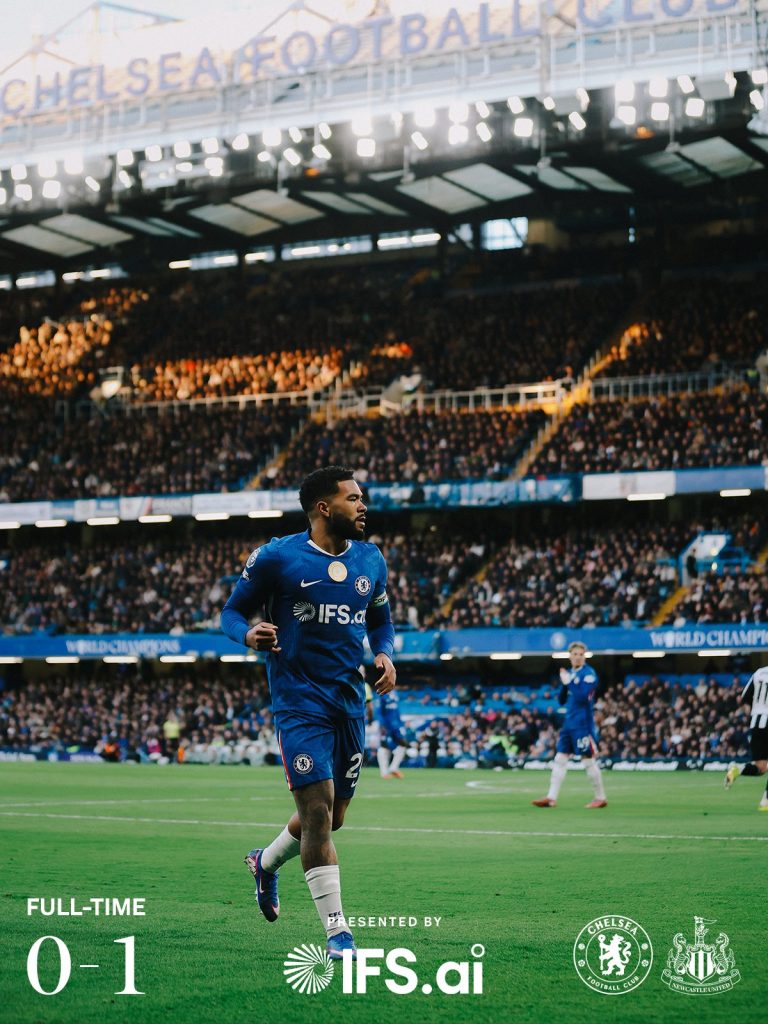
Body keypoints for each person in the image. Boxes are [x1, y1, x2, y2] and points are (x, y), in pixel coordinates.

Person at [220, 466, 396, 960]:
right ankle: (339, 935)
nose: (363, 506)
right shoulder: (278, 557)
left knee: (331, 818)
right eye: (353, 498)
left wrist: (384, 655)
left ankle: (265, 861)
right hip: (298, 704)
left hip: (349, 703)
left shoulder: (371, 559)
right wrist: (248, 634)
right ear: (324, 507)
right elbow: (231, 612)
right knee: (316, 814)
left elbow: (381, 621)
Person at [532, 641, 607, 809]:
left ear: (585, 656)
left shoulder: (589, 674)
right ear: (570, 656)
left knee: (588, 760)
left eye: (581, 654)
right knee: (559, 759)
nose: (578, 657)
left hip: (583, 725)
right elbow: (561, 700)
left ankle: (600, 797)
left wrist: (569, 682)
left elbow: (582, 696)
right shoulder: (571, 673)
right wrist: (565, 684)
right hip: (569, 723)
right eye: (575, 654)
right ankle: (551, 798)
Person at [724, 667, 768, 810]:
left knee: (761, 767)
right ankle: (766, 802)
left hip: (756, 723)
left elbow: (744, 697)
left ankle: (738, 769)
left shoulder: (759, 672)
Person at [374, 688, 408, 779]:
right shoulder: (381, 694)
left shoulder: (395, 693)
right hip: (386, 725)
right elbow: (378, 712)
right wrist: (382, 725)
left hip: (396, 725)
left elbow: (396, 710)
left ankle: (393, 768)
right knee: (384, 747)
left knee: (403, 744)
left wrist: (400, 723)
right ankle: (384, 772)